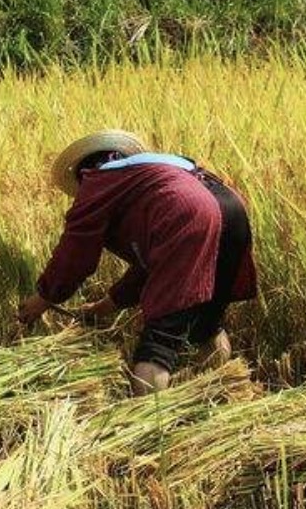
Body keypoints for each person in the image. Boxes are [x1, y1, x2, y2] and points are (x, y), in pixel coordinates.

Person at [18, 130, 258, 395]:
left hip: (190, 213)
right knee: (208, 324)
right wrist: (105, 306)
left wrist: (43, 298)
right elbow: (157, 263)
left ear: (84, 172)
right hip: (231, 208)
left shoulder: (98, 182)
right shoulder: (152, 172)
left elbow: (75, 254)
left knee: (159, 341)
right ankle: (220, 392)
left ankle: (148, 425)